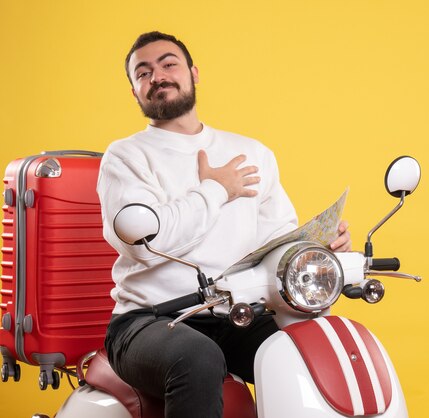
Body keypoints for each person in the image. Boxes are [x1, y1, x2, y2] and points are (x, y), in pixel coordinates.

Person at [96, 31, 351, 418]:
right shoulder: (126, 156)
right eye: (143, 73)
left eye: (169, 64)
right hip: (148, 321)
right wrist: (214, 190)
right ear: (134, 91)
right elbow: (142, 243)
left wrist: (312, 249)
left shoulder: (252, 152)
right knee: (197, 357)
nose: (158, 76)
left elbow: (273, 244)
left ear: (193, 73)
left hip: (235, 313)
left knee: (308, 347)